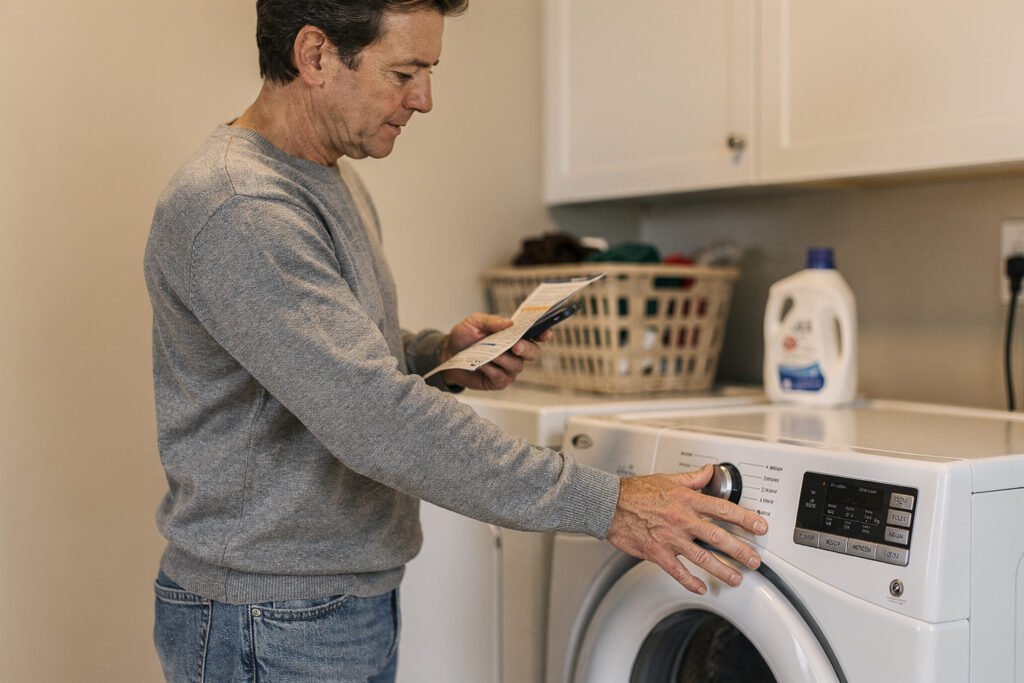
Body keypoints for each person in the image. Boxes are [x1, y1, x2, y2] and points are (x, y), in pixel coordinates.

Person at [143, 1, 769, 681]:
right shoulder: (243, 205)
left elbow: (319, 360)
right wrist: (611, 503)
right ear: (316, 55)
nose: (425, 99)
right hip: (272, 618)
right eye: (405, 72)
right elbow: (374, 418)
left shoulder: (325, 178)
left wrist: (438, 356)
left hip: (325, 598)